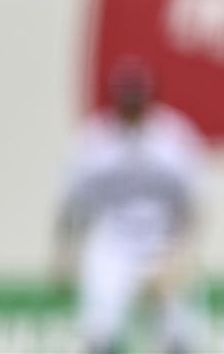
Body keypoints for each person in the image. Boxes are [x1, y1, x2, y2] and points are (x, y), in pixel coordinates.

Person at [55, 57, 204, 354]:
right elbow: (73, 203)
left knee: (180, 333)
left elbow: (192, 202)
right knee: (100, 329)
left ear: (150, 99)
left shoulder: (173, 137)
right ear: (116, 99)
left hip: (162, 240)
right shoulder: (95, 141)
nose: (133, 105)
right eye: (127, 98)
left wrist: (183, 252)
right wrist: (65, 253)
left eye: (138, 98)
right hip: (113, 242)